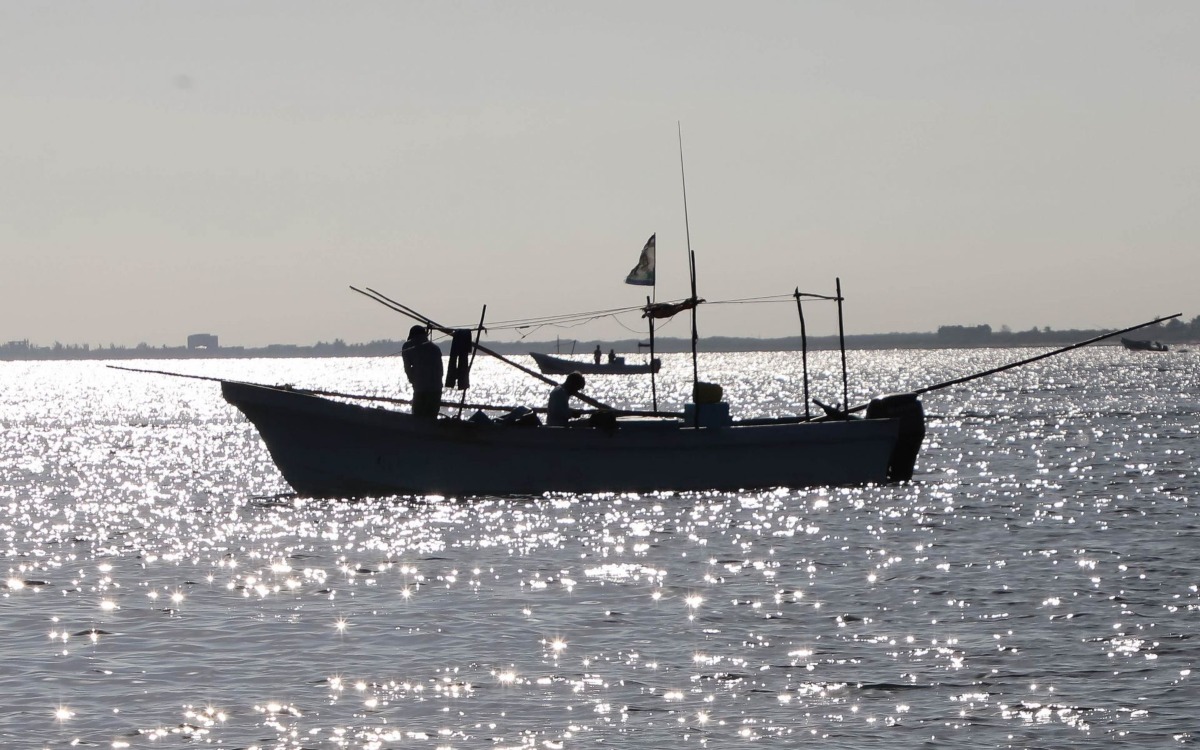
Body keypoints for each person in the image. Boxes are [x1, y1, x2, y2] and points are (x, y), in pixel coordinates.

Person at [402, 325, 444, 419]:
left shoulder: (407, 346)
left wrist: (413, 381)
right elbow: (441, 372)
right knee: (431, 419)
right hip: (436, 389)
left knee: (417, 419)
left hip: (420, 389)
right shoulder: (435, 349)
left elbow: (407, 369)